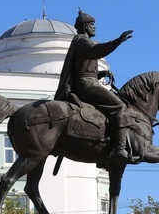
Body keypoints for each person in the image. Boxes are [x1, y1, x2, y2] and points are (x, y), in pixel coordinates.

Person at [55, 9, 133, 161]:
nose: (94, 27)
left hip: (87, 80)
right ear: (84, 27)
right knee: (119, 106)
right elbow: (97, 50)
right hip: (86, 84)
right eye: (92, 24)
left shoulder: (80, 41)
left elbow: (83, 68)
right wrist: (117, 41)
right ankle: (120, 148)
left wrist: (101, 74)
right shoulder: (83, 41)